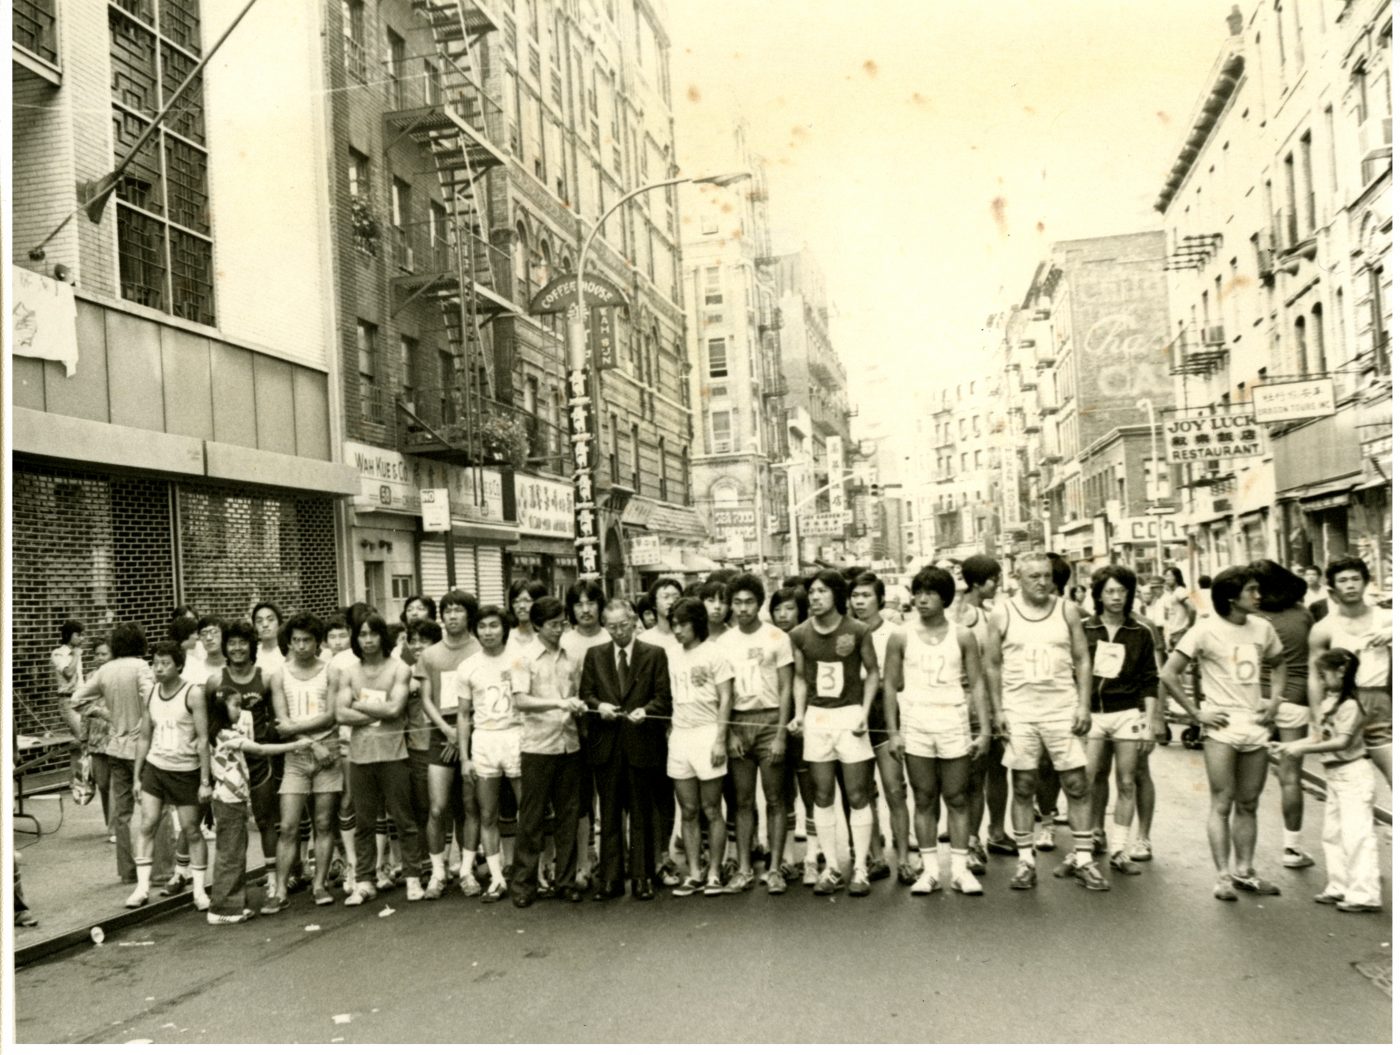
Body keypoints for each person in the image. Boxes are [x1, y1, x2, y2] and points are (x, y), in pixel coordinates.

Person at [1160, 567, 1288, 901]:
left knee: (1249, 802)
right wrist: (1196, 712)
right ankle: (1222, 877)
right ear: (1232, 597)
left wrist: (1274, 701)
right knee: (1222, 802)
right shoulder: (1204, 630)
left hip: (1255, 725)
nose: (1258, 596)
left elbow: (1279, 663)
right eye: (1252, 590)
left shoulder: (1263, 627)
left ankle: (1245, 871)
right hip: (1222, 727)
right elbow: (1169, 673)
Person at [984, 554, 1102, 892]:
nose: (1042, 582)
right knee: (1023, 785)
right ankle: (1025, 861)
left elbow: (1082, 658)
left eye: (1047, 576)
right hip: (1020, 710)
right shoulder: (1002, 612)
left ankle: (1083, 860)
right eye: (1033, 576)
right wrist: (998, 711)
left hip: (1061, 709)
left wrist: (1083, 704)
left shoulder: (1066, 610)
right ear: (1018, 577)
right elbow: (992, 664)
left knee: (1076, 784)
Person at [885, 565, 990, 895]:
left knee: (957, 797)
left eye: (930, 593)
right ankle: (930, 871)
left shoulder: (962, 634)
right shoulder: (901, 635)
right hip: (916, 722)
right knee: (924, 797)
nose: (922, 599)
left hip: (952, 721)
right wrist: (894, 732)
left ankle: (959, 870)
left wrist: (984, 730)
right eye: (918, 592)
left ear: (945, 598)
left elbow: (978, 684)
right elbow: (889, 686)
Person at [789, 570, 881, 897]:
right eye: (811, 592)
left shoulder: (857, 630)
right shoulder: (800, 634)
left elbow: (873, 673)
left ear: (837, 596)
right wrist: (800, 715)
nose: (814, 597)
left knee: (857, 794)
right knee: (822, 794)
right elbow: (800, 678)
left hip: (849, 715)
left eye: (822, 591)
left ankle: (860, 869)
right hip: (818, 718)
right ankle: (831, 867)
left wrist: (865, 712)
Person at [580, 598, 673, 900]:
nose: (619, 632)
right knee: (608, 814)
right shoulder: (595, 655)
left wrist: (646, 710)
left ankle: (642, 875)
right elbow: (587, 694)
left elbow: (664, 698)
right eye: (612, 627)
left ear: (634, 621)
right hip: (606, 744)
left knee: (641, 813)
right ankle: (610, 878)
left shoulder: (654, 654)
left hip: (641, 742)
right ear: (604, 627)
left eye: (623, 625)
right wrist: (599, 706)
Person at [1279, 649, 1381, 913]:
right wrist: (1287, 745)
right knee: (1333, 834)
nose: (1321, 682)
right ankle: (1339, 884)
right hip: (1335, 775)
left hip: (1353, 773)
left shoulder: (1351, 705)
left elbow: (1341, 741)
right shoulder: (1330, 703)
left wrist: (1300, 750)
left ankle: (1364, 893)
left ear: (1341, 673)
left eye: (1324, 675)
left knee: (1356, 835)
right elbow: (1319, 738)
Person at [70, 623, 167, 888]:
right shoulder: (141, 668)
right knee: (156, 807)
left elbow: (77, 700)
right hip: (142, 748)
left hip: (115, 745)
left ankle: (127, 871)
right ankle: (159, 869)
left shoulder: (105, 671)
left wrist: (105, 713)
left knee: (122, 813)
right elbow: (152, 700)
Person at [336, 614, 423, 905]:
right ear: (356, 639)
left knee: (403, 819)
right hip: (360, 756)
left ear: (382, 637)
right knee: (364, 823)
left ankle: (412, 877)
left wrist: (358, 705)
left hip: (394, 754)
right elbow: (339, 714)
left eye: (373, 634)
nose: (368, 640)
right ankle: (364, 881)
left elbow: (396, 709)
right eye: (362, 635)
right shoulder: (348, 671)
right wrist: (377, 708)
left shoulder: (399, 668)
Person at [205, 688, 311, 924]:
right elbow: (261, 749)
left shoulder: (222, 733)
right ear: (223, 709)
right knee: (230, 854)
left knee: (233, 852)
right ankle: (222, 908)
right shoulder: (225, 735)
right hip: (228, 801)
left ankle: (230, 903)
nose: (239, 710)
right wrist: (294, 746)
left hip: (233, 800)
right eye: (235, 705)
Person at [1080, 566, 1158, 878]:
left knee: (1127, 780)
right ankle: (1086, 844)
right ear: (1098, 594)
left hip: (1128, 712)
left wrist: (1150, 723)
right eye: (1110, 591)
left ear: (1130, 595)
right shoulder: (1085, 629)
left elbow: (1150, 680)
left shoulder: (1141, 632)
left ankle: (1119, 848)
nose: (1116, 597)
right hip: (1093, 714)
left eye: (1122, 591)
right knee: (1088, 777)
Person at [509, 596, 588, 907]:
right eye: (553, 625)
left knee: (568, 817)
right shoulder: (522, 657)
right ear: (538, 625)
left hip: (569, 744)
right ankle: (523, 886)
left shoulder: (571, 656)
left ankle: (565, 881)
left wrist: (578, 707)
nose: (559, 630)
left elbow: (578, 694)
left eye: (562, 624)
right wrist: (558, 703)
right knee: (532, 818)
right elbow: (520, 700)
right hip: (538, 747)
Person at [720, 575, 794, 894]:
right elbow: (721, 693)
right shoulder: (724, 642)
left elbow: (787, 687)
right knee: (743, 799)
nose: (743, 608)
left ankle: (775, 868)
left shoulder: (776, 637)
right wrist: (731, 733)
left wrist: (780, 734)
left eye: (749, 601)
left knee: (776, 798)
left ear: (760, 603)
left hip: (770, 720)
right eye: (737, 602)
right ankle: (745, 867)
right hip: (739, 722)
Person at [127, 641, 211, 910]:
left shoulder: (193, 694)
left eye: (165, 663)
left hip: (186, 771)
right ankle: (141, 889)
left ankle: (199, 891)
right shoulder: (150, 693)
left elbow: (203, 739)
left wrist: (205, 781)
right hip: (156, 768)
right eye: (155, 663)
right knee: (147, 824)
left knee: (191, 831)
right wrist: (137, 777)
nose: (159, 668)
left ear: (179, 665)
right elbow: (144, 736)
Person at [266, 613, 339, 913]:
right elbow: (282, 720)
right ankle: (280, 890)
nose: (300, 646)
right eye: (295, 640)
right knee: (289, 826)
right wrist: (311, 743)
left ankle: (319, 884)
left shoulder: (330, 671)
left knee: (323, 822)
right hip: (296, 755)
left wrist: (308, 738)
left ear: (317, 642)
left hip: (329, 753)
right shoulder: (279, 674)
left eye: (306, 640)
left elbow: (331, 715)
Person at [663, 597, 735, 896]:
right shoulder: (671, 654)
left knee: (711, 808)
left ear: (697, 623)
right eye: (674, 625)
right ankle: (693, 872)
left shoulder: (715, 653)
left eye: (683, 624)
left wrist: (720, 738)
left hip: (708, 734)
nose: (677, 630)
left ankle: (715, 872)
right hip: (680, 736)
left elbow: (727, 698)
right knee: (688, 810)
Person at [1248, 560, 1317, 870]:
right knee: (1291, 777)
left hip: (1258, 699)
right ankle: (1292, 849)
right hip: (1296, 698)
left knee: (1250, 779)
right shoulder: (1303, 614)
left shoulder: (1253, 617)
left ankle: (1244, 856)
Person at [850, 571, 916, 884]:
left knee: (895, 789)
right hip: (854, 718)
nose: (860, 602)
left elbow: (899, 681)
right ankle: (875, 858)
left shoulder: (894, 632)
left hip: (885, 714)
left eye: (866, 596)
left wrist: (874, 681)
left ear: (879, 599)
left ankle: (904, 858)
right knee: (862, 792)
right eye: (855, 596)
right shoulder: (846, 632)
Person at [211, 620, 282, 904]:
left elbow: (277, 718)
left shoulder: (265, 678)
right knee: (233, 827)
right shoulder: (216, 681)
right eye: (232, 643)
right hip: (230, 767)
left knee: (266, 820)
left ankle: (274, 878)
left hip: (259, 762)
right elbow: (207, 725)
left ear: (251, 646)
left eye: (243, 643)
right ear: (225, 647)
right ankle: (233, 887)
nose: (238, 648)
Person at [456, 605, 524, 903]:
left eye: (494, 626)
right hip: (484, 740)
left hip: (516, 735)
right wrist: (464, 757)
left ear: (504, 628)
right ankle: (497, 878)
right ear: (475, 630)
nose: (488, 632)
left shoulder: (520, 659)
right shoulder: (468, 666)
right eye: (482, 627)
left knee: (528, 809)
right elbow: (461, 715)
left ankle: (533, 872)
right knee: (487, 813)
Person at [416, 590, 483, 896]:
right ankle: (438, 873)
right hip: (439, 734)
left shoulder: (481, 649)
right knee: (437, 807)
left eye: (458, 610)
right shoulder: (429, 655)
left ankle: (467, 871)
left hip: (475, 732)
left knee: (470, 806)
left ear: (469, 615)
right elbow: (426, 700)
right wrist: (447, 731)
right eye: (448, 610)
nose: (452, 616)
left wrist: (463, 736)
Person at [1310, 556, 1392, 788]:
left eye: (1356, 578)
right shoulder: (1323, 628)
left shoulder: (1386, 618)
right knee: (1346, 783)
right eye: (1343, 580)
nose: (1350, 585)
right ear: (1333, 588)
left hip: (1379, 702)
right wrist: (1317, 714)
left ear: (1366, 583)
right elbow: (1315, 675)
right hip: (1342, 706)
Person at [961, 553, 1011, 864]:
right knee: (978, 774)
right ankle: (973, 839)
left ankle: (994, 831)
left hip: (992, 699)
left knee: (997, 768)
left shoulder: (986, 613)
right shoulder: (967, 615)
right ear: (979, 582)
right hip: (972, 702)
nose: (998, 584)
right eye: (994, 579)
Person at [561, 580, 608, 890]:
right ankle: (584, 861)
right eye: (578, 604)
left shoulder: (610, 635)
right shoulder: (564, 641)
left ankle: (612, 857)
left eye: (591, 602)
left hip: (608, 728)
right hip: (573, 730)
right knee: (580, 800)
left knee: (611, 796)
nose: (585, 609)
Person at [770, 585, 816, 881]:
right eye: (777, 609)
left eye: (788, 608)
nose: (782, 614)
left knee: (811, 788)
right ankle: (786, 856)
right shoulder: (770, 639)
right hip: (774, 722)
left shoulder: (808, 638)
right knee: (781, 791)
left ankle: (812, 854)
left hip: (809, 721)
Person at [52, 618, 86, 739]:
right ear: (68, 635)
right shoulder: (58, 653)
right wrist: (76, 655)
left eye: (82, 635)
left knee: (81, 740)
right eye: (78, 635)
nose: (82, 638)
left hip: (81, 699)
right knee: (82, 736)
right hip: (68, 701)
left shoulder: (77, 652)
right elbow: (69, 673)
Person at [506, 579, 548, 659]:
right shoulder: (506, 637)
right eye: (516, 601)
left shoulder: (548, 637)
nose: (521, 606)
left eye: (527, 601)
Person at [253, 602, 285, 677]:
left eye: (270, 619)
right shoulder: (252, 653)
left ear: (279, 623)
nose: (265, 625)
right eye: (259, 621)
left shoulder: (288, 652)